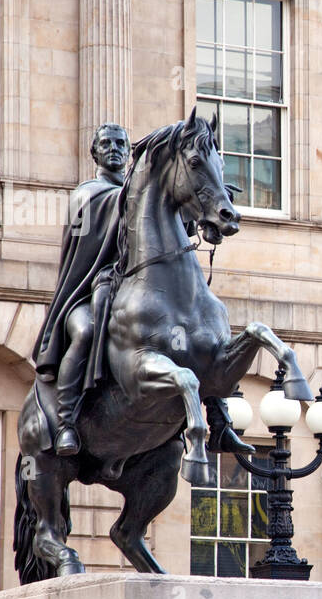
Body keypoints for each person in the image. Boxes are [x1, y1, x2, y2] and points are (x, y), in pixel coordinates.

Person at [34, 123, 251, 458]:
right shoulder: (89, 192)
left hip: (148, 288)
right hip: (95, 288)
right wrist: (145, 194)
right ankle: (66, 422)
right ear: (95, 152)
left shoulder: (150, 190)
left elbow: (175, 222)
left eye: (121, 143)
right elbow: (103, 224)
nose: (114, 148)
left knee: (204, 332)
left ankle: (219, 420)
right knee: (85, 331)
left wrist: (205, 210)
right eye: (106, 143)